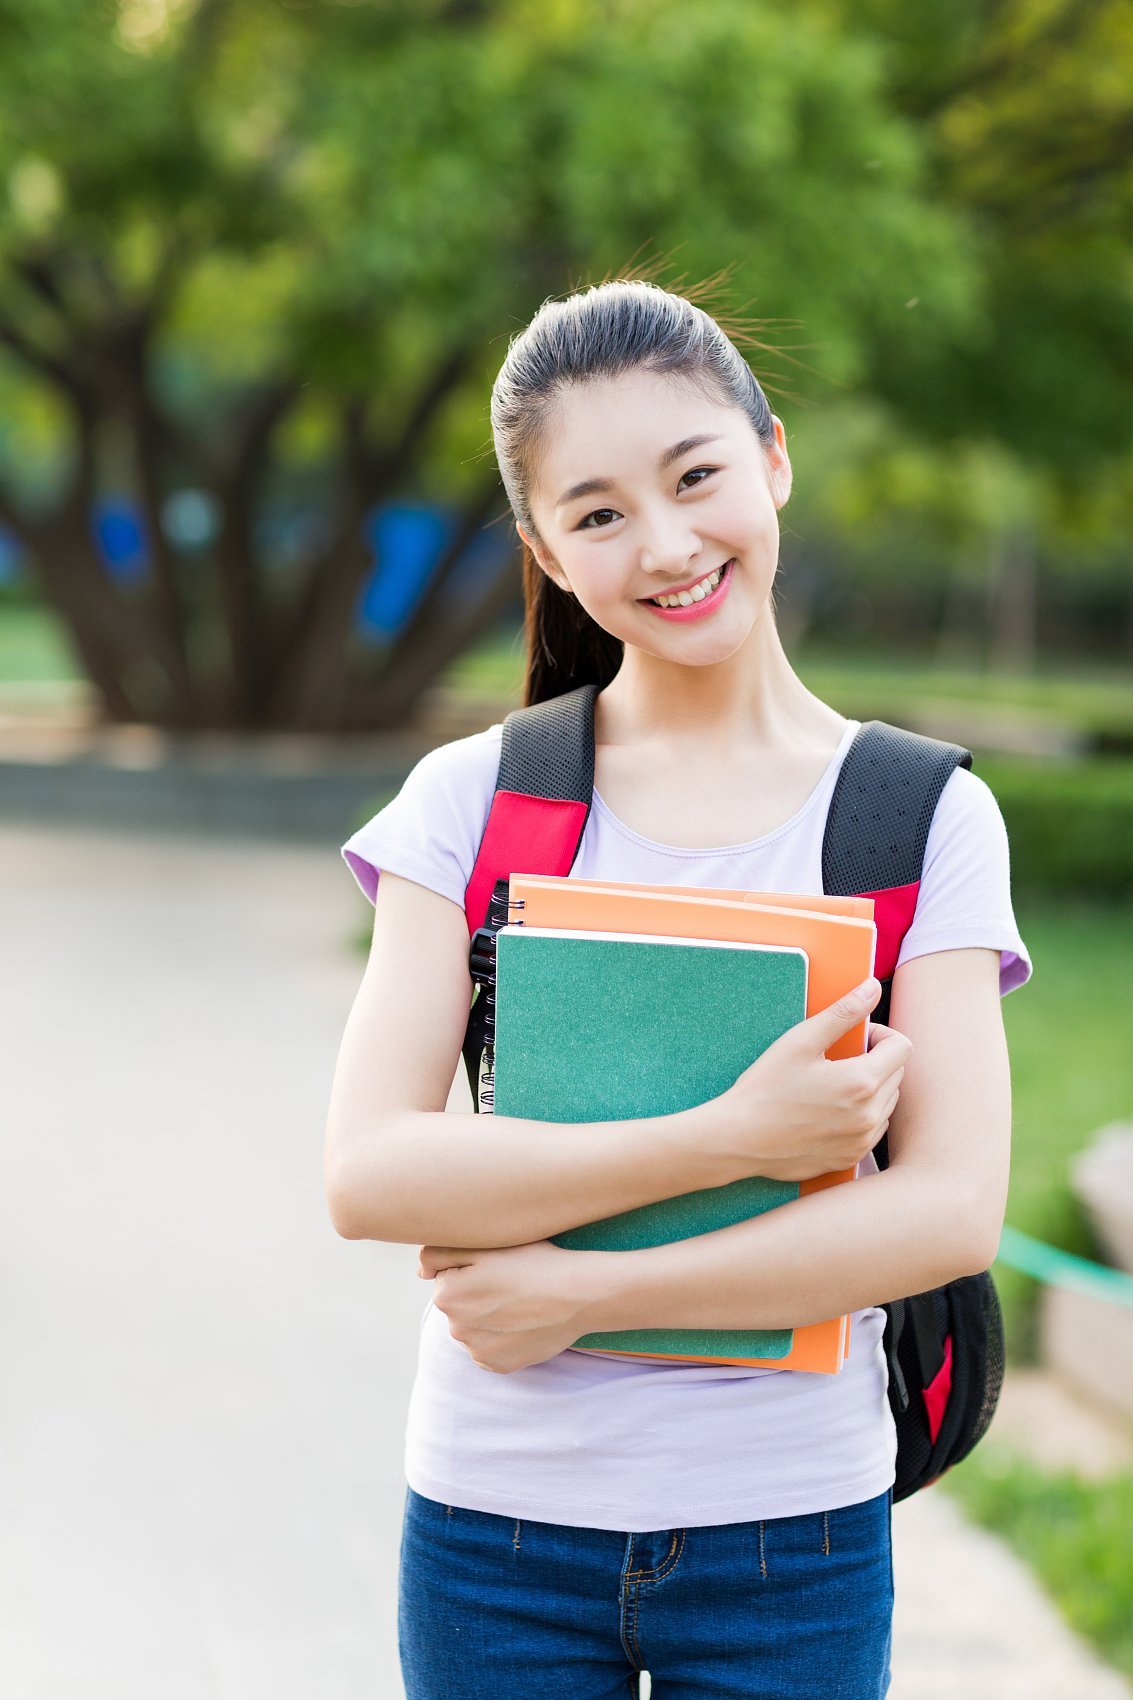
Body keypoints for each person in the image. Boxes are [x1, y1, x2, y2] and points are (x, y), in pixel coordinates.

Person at [326, 281, 1029, 1700]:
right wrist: (732, 1140)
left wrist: (586, 1296)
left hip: (790, 1540)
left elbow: (950, 1210)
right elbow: (368, 1173)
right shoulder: (473, 802)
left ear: (770, 457)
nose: (664, 544)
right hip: (493, 1536)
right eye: (594, 513)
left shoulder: (913, 818)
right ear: (544, 548)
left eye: (695, 475)